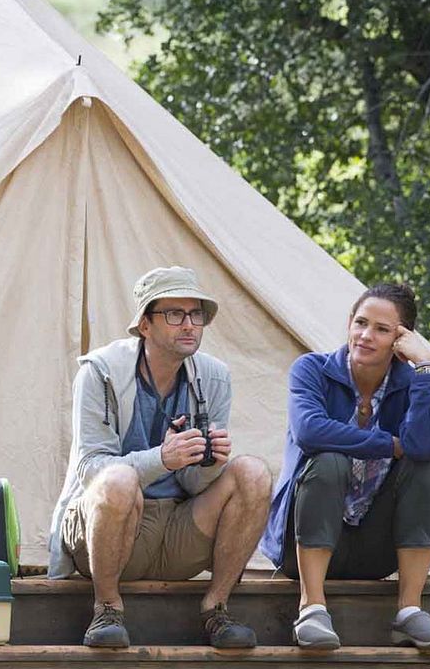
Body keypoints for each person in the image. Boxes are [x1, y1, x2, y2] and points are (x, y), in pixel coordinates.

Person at [47, 266, 272, 649]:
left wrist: (207, 463)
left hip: (179, 528)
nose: (189, 325)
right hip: (111, 530)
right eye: (174, 314)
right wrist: (162, 458)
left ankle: (217, 608)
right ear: (145, 325)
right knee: (118, 480)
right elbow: (90, 472)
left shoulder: (214, 376)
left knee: (253, 472)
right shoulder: (99, 372)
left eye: (196, 314)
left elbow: (193, 484)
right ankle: (106, 608)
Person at [260, 283, 430, 650]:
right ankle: (312, 607)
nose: (366, 335)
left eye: (382, 330)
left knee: (426, 469)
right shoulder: (312, 370)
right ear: (349, 322)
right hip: (303, 544)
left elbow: (426, 446)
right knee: (328, 461)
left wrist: (427, 368)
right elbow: (309, 431)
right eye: (361, 323)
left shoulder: (411, 383)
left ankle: (410, 611)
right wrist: (389, 445)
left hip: (374, 549)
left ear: (401, 340)